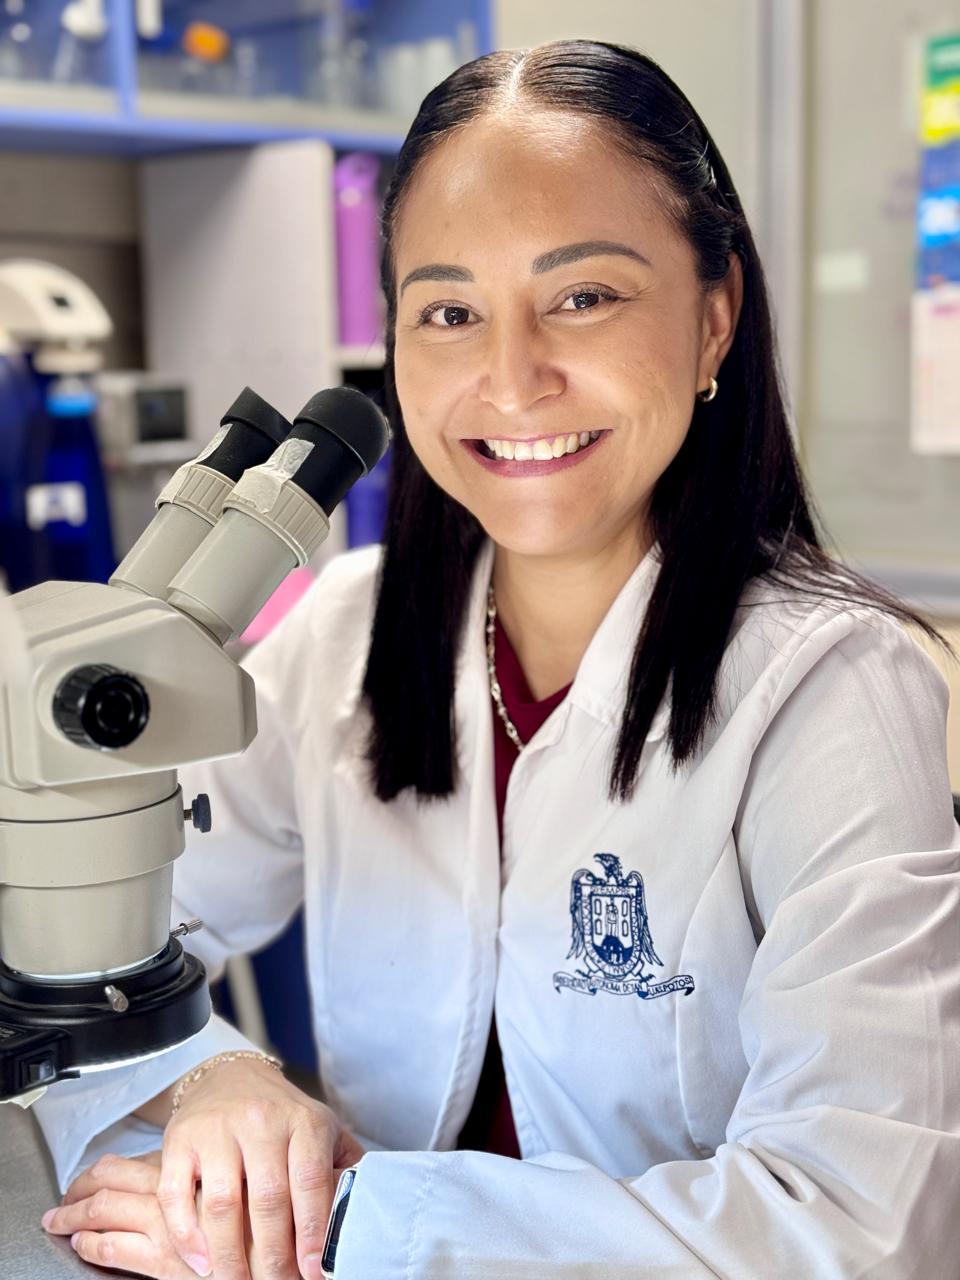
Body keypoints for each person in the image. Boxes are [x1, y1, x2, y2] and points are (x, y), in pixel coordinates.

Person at [36, 38, 960, 1280]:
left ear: (714, 319)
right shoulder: (345, 635)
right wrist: (216, 1076)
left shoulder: (833, 689)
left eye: (584, 296)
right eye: (450, 311)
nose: (511, 379)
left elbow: (858, 1224)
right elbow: (88, 946)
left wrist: (349, 1224)